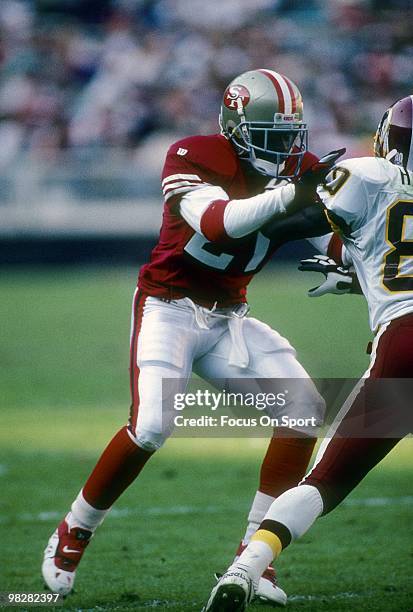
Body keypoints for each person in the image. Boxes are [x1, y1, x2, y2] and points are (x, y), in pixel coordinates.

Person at [41, 69, 341, 604]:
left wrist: (351, 265)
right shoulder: (194, 155)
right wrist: (292, 197)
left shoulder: (300, 173)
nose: (287, 150)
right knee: (153, 425)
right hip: (169, 307)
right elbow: (220, 224)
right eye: (271, 137)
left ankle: (254, 559)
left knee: (302, 413)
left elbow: (333, 236)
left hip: (231, 318)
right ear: (236, 128)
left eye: (292, 137)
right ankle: (75, 529)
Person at [204, 94, 413, 612]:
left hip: (406, 340)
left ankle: (245, 568)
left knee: (326, 480)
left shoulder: (368, 173)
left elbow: (308, 223)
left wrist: (340, 258)